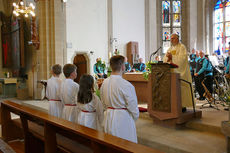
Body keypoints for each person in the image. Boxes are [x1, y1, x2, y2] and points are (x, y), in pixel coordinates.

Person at [100, 55, 139, 143]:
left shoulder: (104, 82)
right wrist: (134, 118)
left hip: (108, 117)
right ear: (122, 67)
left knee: (110, 144)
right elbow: (133, 106)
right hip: (123, 119)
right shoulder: (126, 85)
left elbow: (102, 102)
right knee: (125, 145)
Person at [163, 34, 193, 112]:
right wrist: (168, 58)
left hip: (180, 72)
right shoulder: (170, 48)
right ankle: (173, 104)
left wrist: (172, 57)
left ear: (177, 39)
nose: (171, 40)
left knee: (181, 88)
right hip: (171, 73)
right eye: (171, 39)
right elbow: (165, 59)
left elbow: (182, 59)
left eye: (173, 38)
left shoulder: (182, 47)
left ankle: (182, 106)